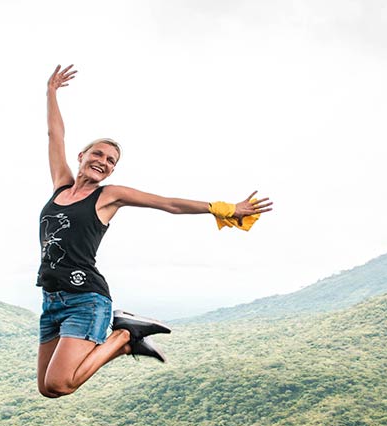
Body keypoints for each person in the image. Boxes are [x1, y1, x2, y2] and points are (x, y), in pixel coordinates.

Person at [37, 65, 272, 398]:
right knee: (47, 390)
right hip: (51, 299)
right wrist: (51, 92)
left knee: (61, 383)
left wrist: (227, 208)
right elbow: (54, 136)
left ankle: (121, 336)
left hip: (85, 299)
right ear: (81, 156)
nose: (104, 162)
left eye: (111, 160)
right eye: (98, 154)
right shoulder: (60, 187)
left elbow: (169, 203)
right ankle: (124, 344)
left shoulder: (107, 196)